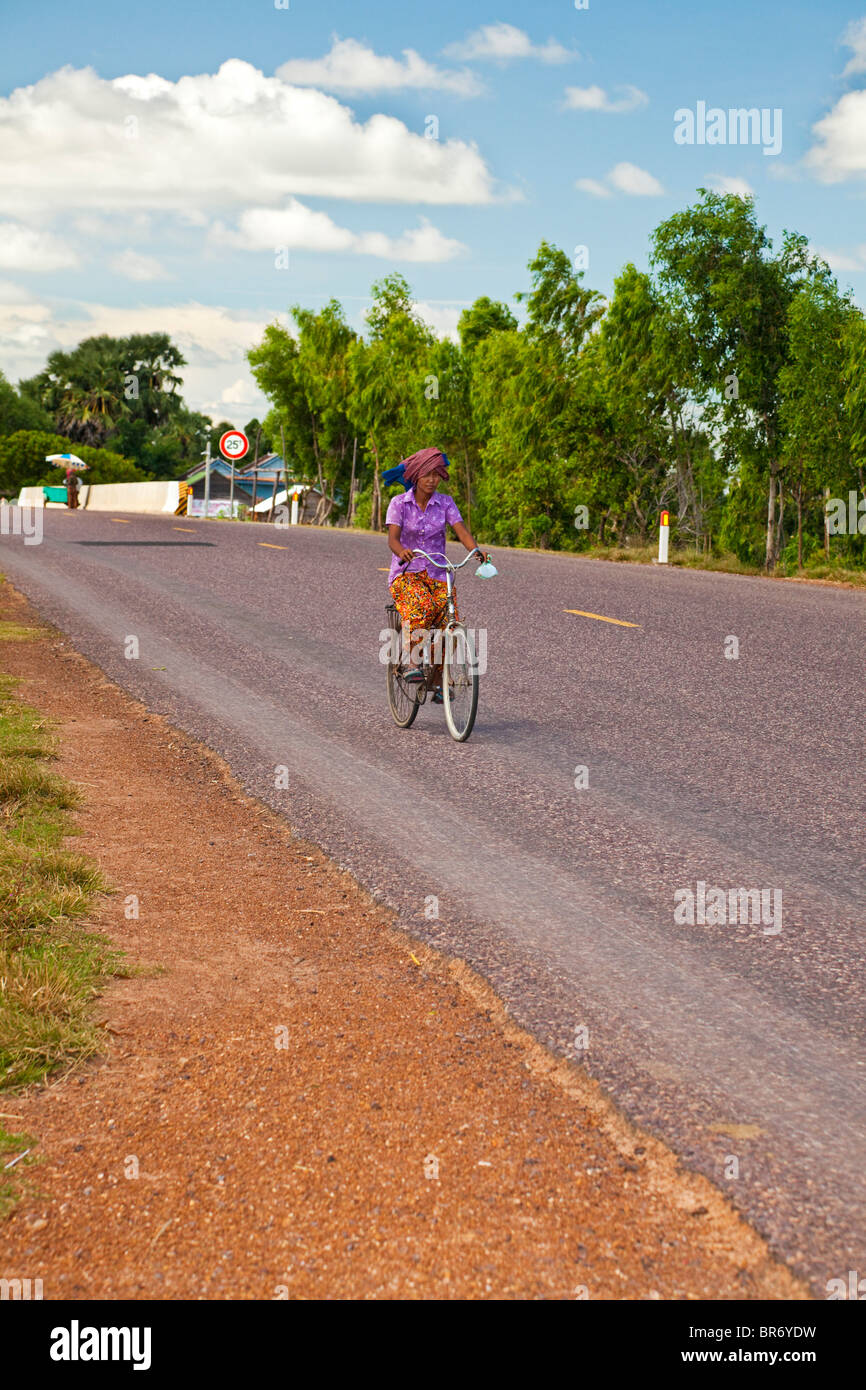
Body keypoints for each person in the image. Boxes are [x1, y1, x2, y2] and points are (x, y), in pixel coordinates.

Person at [386, 447, 487, 701]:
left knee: (450, 623)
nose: (432, 480)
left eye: (436, 474)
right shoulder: (399, 504)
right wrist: (403, 552)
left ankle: (438, 678)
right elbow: (393, 539)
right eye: (427, 474)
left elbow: (460, 530)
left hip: (439, 574)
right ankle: (411, 662)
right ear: (416, 476)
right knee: (422, 605)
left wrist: (474, 549)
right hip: (407, 573)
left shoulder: (446, 504)